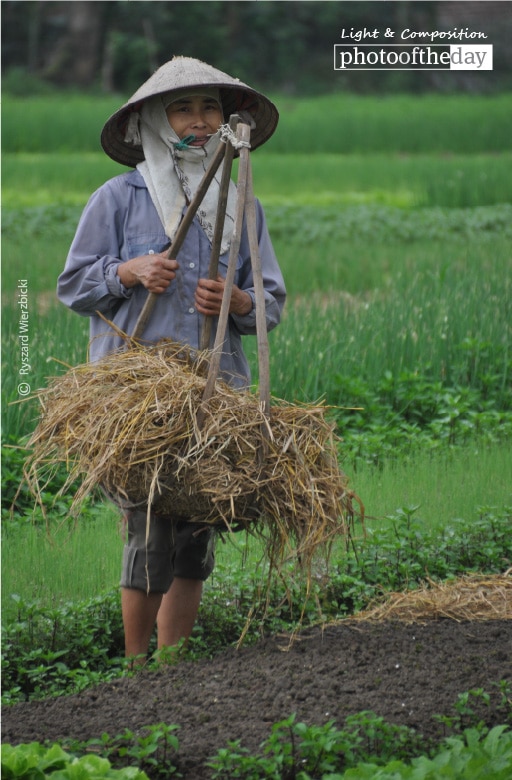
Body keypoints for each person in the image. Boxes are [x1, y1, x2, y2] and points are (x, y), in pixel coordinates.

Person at [57, 56, 286, 665]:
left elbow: (269, 299)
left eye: (211, 107)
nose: (200, 120)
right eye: (183, 109)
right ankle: (138, 673)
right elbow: (73, 286)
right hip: (136, 399)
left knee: (194, 536)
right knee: (147, 531)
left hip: (215, 393)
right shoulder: (118, 198)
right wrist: (127, 271)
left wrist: (238, 300)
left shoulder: (243, 204)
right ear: (155, 122)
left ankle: (173, 668)